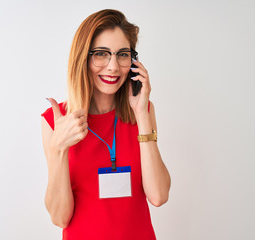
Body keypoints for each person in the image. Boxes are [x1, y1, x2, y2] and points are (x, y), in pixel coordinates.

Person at [41, 9, 171, 240]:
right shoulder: (56, 121)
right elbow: (60, 218)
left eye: (122, 54)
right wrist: (59, 148)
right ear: (83, 57)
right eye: (101, 54)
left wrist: (141, 114)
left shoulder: (143, 111)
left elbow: (159, 195)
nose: (113, 67)